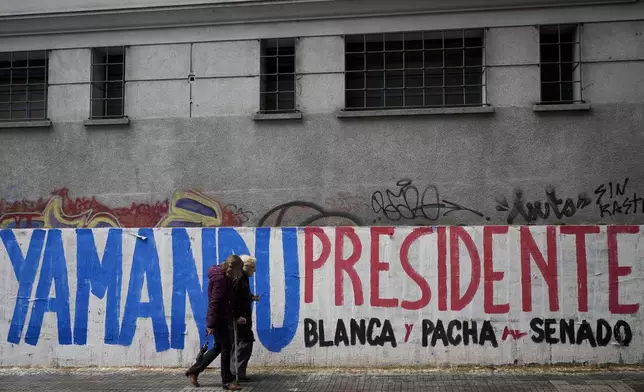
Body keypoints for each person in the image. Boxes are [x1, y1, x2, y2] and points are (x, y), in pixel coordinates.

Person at [185, 255, 244, 390]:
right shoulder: (220, 279)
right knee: (226, 349)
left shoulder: (223, 275)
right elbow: (214, 302)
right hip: (219, 319)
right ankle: (227, 381)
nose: (239, 273)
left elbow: (226, 300)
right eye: (238, 270)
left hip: (221, 317)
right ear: (232, 268)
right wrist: (211, 324)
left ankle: (194, 371)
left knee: (219, 347)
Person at [231, 255, 260, 381]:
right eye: (253, 268)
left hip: (243, 317)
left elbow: (242, 295)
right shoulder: (239, 278)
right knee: (244, 344)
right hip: (241, 318)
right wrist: (237, 316)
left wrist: (251, 297)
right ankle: (237, 373)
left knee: (239, 344)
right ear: (246, 267)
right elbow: (234, 299)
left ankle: (236, 372)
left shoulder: (243, 278)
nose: (254, 270)